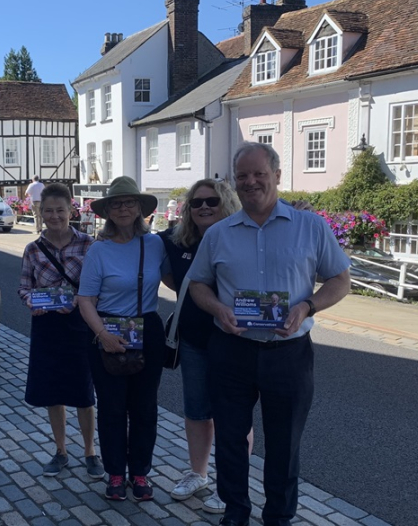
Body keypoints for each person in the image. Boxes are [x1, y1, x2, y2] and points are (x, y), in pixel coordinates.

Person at [188, 142, 351, 526]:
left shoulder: (311, 227)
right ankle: (235, 511)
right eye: (242, 176)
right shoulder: (218, 234)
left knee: (284, 443)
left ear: (277, 176)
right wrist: (218, 308)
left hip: (288, 353)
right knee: (229, 439)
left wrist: (307, 306)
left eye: (259, 174)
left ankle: (278, 515)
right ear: (234, 181)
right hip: (231, 350)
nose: (251, 182)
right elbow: (198, 285)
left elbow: (340, 280)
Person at [76, 176, 171, 502]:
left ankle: (140, 472)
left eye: (129, 202)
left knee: (145, 408)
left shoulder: (156, 244)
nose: (123, 208)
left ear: (141, 208)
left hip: (149, 328)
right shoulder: (98, 251)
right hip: (108, 331)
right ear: (107, 211)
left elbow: (184, 270)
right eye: (117, 203)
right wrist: (102, 335)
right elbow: (85, 299)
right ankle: (116, 472)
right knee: (113, 408)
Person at [160, 178, 251, 513]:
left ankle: (233, 485)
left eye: (211, 201)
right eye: (196, 203)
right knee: (197, 411)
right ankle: (198, 473)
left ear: (225, 202)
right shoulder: (175, 239)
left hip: (236, 340)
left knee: (234, 415)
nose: (203, 208)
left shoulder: (241, 237)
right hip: (194, 341)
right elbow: (169, 275)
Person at [18, 182, 103, 480]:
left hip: (79, 324)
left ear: (71, 210)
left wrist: (80, 301)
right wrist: (32, 302)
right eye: (49, 210)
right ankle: (61, 450)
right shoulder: (32, 249)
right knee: (53, 391)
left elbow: (97, 286)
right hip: (46, 326)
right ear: (41, 212)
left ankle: (90, 451)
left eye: (60, 210)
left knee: (83, 392)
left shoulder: (89, 245)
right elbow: (24, 287)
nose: (55, 216)